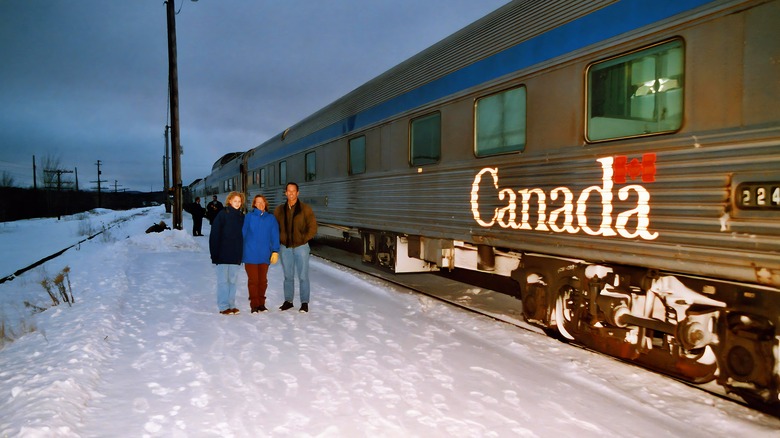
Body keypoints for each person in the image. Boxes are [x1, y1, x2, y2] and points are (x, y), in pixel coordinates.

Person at [273, 182, 317, 313]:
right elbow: (274, 228)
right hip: (285, 248)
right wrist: (278, 242)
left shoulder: (305, 209)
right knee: (288, 275)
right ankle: (288, 301)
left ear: (298, 193)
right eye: (288, 191)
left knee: (303, 276)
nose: (291, 193)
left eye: (293, 191)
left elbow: (313, 227)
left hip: (301, 247)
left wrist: (303, 239)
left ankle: (304, 303)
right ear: (285, 193)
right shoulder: (279, 210)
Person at [242, 195, 281, 313]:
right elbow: (242, 233)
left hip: (265, 254)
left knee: (263, 281)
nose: (260, 204)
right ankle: (254, 304)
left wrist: (275, 250)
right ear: (254, 204)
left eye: (262, 202)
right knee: (253, 280)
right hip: (250, 254)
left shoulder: (271, 218)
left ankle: (261, 304)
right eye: (258, 202)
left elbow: (275, 235)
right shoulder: (248, 217)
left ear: (265, 203)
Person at [209, 192, 244, 315]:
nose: (237, 203)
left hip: (235, 255)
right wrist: (214, 255)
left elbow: (242, 237)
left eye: (239, 201)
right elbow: (214, 235)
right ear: (229, 201)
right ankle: (224, 306)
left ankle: (231, 305)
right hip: (222, 255)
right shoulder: (222, 215)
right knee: (223, 282)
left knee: (233, 282)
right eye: (235, 201)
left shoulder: (241, 216)